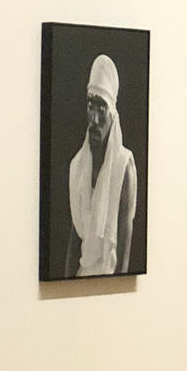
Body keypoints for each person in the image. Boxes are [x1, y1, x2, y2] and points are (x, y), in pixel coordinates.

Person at [65, 54, 138, 277]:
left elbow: (124, 251)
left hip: (109, 278)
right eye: (91, 106)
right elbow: (76, 236)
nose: (94, 119)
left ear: (112, 115)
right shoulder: (78, 166)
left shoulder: (124, 166)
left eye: (101, 108)